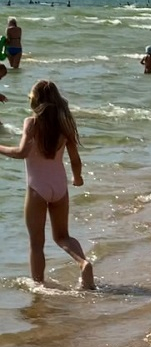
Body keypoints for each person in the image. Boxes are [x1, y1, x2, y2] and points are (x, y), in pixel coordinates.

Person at [0, 80, 94, 289]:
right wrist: (77, 178)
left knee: (36, 242)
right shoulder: (65, 125)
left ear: (36, 101)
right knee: (63, 236)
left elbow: (21, 152)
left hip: (37, 189)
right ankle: (83, 262)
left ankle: (38, 287)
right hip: (60, 187)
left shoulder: (32, 123)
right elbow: (75, 159)